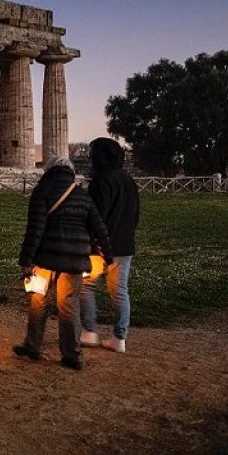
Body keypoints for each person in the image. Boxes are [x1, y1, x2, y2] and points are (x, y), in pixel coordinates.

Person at [14, 156, 113, 371]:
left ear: (49, 170)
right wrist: (108, 256)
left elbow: (35, 228)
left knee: (38, 301)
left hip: (45, 258)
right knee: (69, 305)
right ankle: (72, 355)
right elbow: (99, 227)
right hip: (75, 259)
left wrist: (26, 259)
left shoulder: (42, 191)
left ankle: (32, 346)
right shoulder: (81, 194)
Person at [80, 137, 140, 353]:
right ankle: (119, 338)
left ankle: (90, 331)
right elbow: (135, 214)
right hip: (125, 245)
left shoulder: (100, 181)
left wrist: (91, 240)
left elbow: (95, 217)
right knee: (120, 291)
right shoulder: (128, 180)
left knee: (86, 287)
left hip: (100, 246)